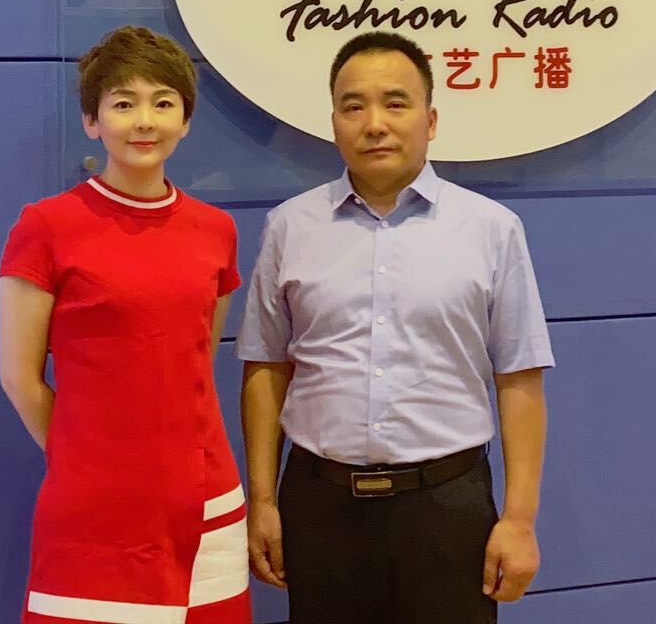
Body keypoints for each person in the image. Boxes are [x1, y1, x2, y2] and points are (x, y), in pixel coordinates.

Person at [236, 31, 554, 623]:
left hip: (447, 507)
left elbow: (519, 377)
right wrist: (262, 500)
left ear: (430, 121)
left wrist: (519, 519)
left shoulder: (492, 229)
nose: (374, 124)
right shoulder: (289, 227)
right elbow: (266, 366)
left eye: (396, 103)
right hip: (320, 506)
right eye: (354, 106)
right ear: (334, 123)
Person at [0, 25, 252, 623]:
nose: (145, 121)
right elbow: (19, 378)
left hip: (206, 494)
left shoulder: (216, 231)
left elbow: (196, 357)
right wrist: (87, 457)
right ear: (92, 120)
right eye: (122, 104)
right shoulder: (47, 227)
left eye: (163, 103)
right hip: (95, 507)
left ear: (185, 121)